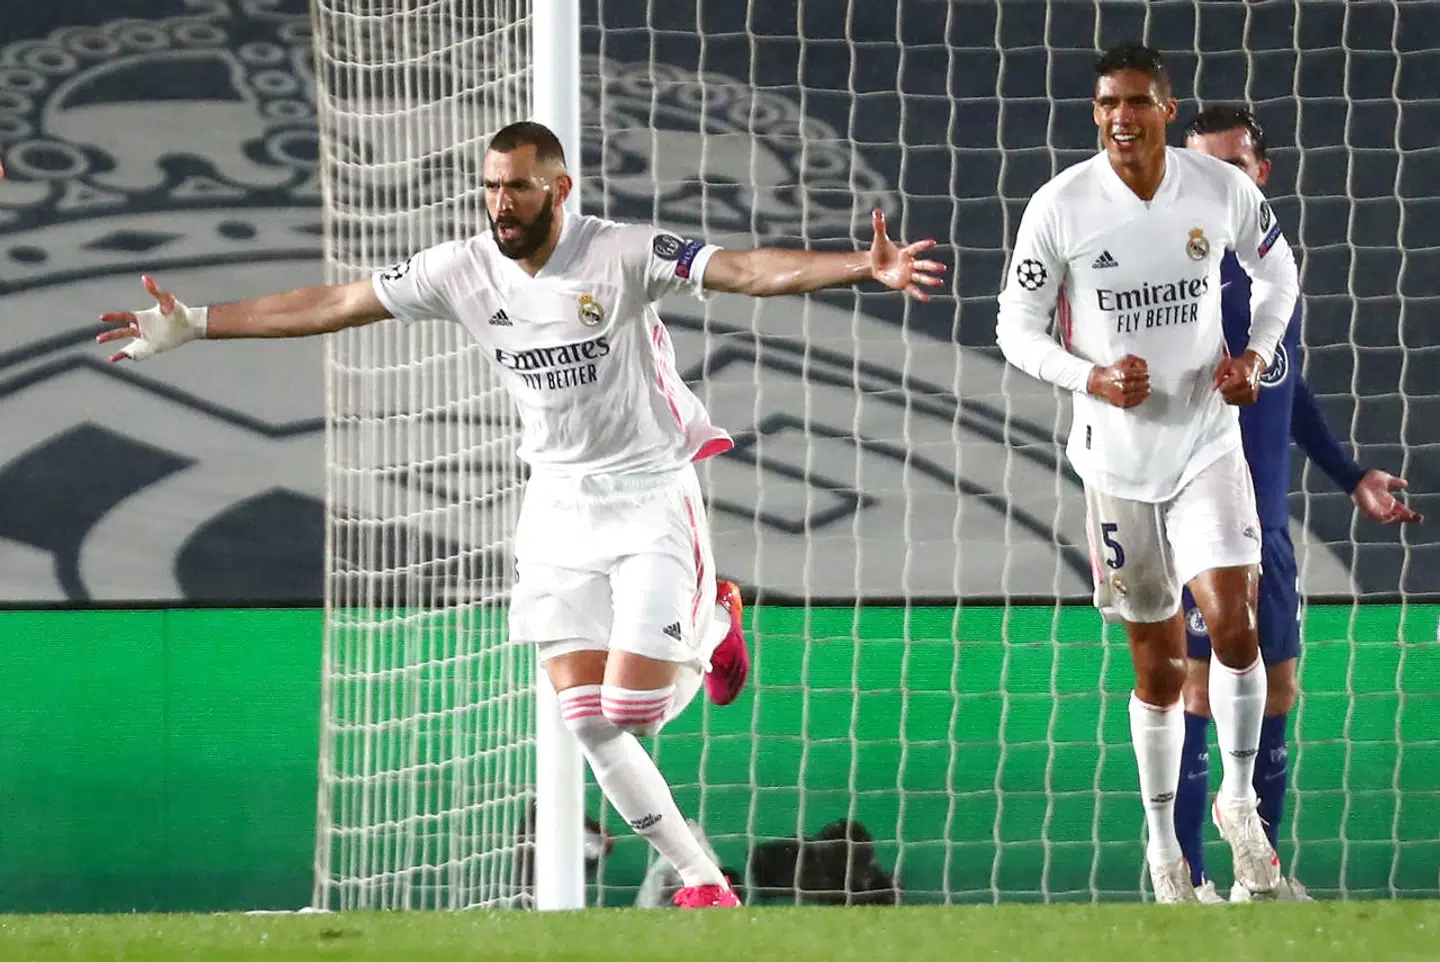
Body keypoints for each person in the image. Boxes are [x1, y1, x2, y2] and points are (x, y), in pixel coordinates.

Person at [96, 120, 944, 909]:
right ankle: (699, 881)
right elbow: (334, 304)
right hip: (556, 506)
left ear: (560, 189)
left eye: (519, 188)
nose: (502, 203)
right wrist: (197, 323)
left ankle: (714, 622)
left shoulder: (622, 252)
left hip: (649, 493)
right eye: (492, 187)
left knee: (631, 711)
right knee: (587, 723)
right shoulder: (461, 267)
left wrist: (860, 267)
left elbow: (747, 271)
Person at [995, 42, 1301, 903]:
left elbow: (1278, 270)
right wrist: (1085, 376)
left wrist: (1257, 350)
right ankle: (1166, 849)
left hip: (1206, 443)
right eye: (1105, 105)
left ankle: (1240, 809)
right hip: (1116, 465)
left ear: (1166, 109)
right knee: (1160, 670)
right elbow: (1014, 327)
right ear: (1096, 114)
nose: (1119, 118)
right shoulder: (1060, 206)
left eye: (1135, 101)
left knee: (1234, 623)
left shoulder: (1219, 191)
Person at [1176, 106, 1422, 904]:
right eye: (1199, 171)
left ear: (1260, 176)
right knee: (1192, 690)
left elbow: (1290, 387)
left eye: (1231, 170)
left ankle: (1259, 878)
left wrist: (1351, 474)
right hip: (1194, 525)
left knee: (1277, 691)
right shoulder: (1169, 283)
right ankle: (1185, 882)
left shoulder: (1276, 280)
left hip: (1268, 526)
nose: (1214, 189)